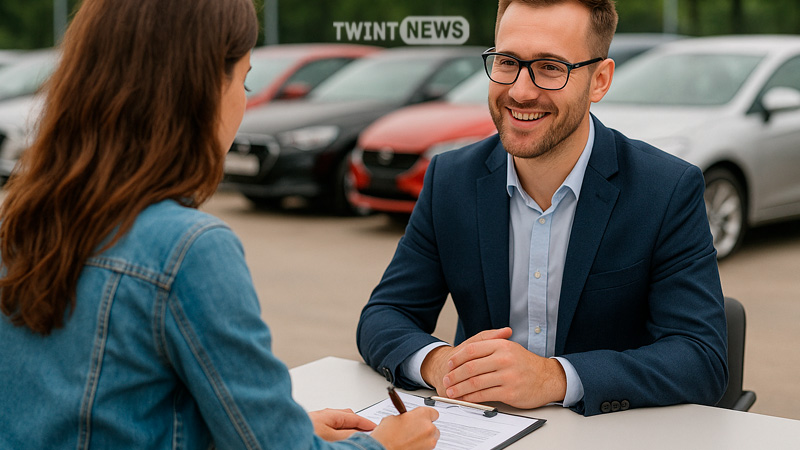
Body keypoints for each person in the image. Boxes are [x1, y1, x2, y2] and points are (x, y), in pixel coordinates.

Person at [0, 0, 439, 448]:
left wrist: (288, 425)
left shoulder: (18, 219)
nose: (244, 101)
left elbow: (109, 412)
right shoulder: (186, 247)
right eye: (243, 79)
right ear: (202, 89)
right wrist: (385, 444)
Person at [357, 0, 728, 417]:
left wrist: (555, 377)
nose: (519, 90)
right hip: (482, 431)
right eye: (507, 62)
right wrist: (440, 364)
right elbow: (384, 315)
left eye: (550, 67)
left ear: (599, 80)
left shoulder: (665, 189)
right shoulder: (450, 180)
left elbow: (701, 358)